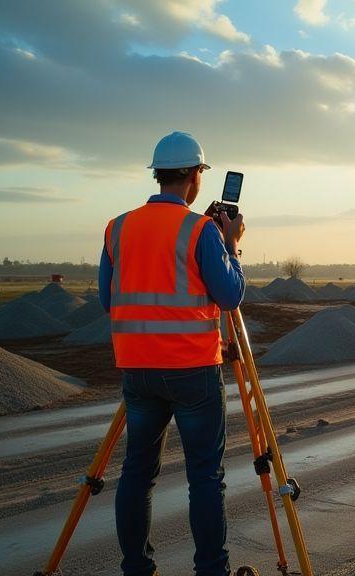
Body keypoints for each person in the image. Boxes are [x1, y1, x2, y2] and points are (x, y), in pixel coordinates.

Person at [99, 131, 246, 576]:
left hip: (137, 371)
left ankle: (137, 569)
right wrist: (231, 244)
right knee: (204, 476)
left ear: (159, 175)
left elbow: (110, 300)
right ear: (194, 177)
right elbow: (230, 294)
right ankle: (211, 570)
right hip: (192, 370)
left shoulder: (118, 227)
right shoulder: (201, 230)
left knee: (137, 475)